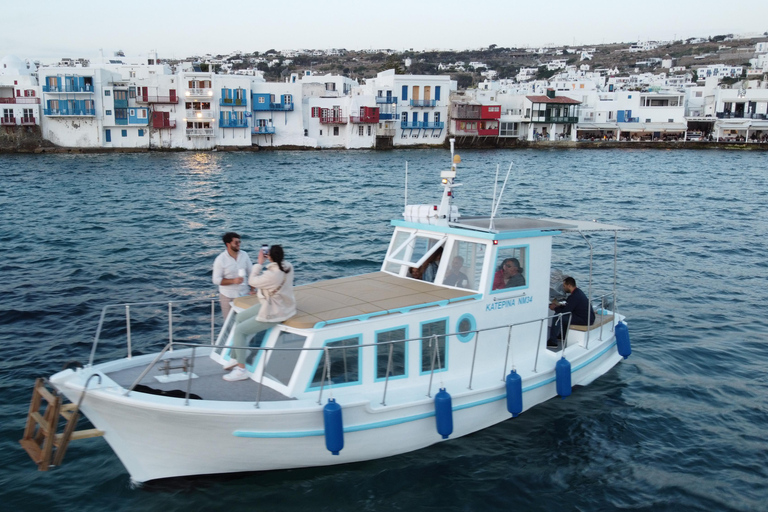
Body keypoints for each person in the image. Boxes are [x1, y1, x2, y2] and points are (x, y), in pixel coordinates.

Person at [223, 245, 297, 381]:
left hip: (275, 311)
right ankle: (236, 357)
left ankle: (241, 370)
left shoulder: (272, 275)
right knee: (239, 317)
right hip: (276, 304)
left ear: (270, 256)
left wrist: (259, 263)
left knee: (240, 330)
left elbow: (252, 281)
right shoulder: (288, 266)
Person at [212, 232, 253, 321]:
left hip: (244, 294)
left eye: (239, 242)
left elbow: (251, 273)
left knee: (245, 322)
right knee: (229, 323)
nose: (239, 244)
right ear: (228, 244)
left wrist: (253, 289)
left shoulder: (244, 255)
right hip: (228, 296)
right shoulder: (220, 259)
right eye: (236, 242)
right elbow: (216, 280)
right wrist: (233, 281)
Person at [548, 276, 596, 347]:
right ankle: (563, 336)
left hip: (585, 319)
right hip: (587, 317)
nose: (563, 288)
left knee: (558, 317)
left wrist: (555, 308)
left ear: (569, 286)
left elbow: (565, 311)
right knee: (565, 316)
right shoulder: (577, 292)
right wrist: (558, 306)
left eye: (564, 286)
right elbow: (569, 306)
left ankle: (553, 342)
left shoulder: (574, 296)